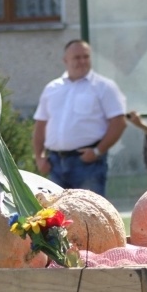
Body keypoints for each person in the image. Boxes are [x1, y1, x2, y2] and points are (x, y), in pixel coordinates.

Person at [32, 39, 127, 196]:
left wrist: (97, 151)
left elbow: (119, 123)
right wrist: (39, 157)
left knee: (89, 215)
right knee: (55, 215)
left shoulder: (104, 86)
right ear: (65, 60)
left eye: (86, 56)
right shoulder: (52, 88)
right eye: (77, 57)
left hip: (87, 164)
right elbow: (41, 124)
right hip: (55, 163)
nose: (82, 61)